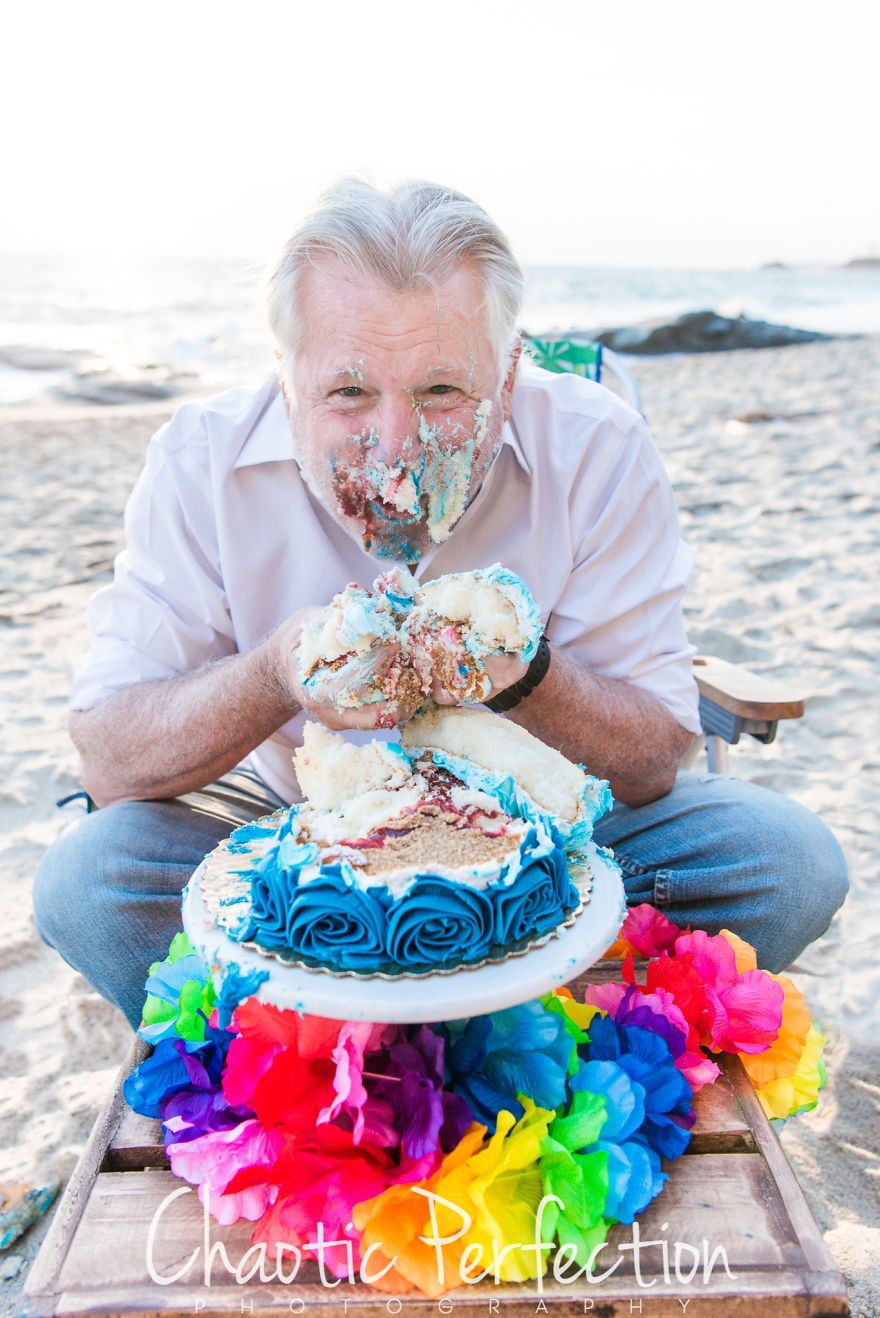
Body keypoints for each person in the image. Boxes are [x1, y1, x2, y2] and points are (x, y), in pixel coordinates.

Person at [33, 179, 847, 1027]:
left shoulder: (598, 446)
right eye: (349, 394)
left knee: (787, 865)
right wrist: (274, 675)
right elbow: (110, 760)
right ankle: (399, 1035)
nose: (397, 450)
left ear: (509, 372)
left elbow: (652, 763)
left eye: (442, 394)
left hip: (550, 840)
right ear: (285, 376)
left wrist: (527, 676)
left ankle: (441, 1032)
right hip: (290, 831)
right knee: (88, 883)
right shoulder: (198, 459)